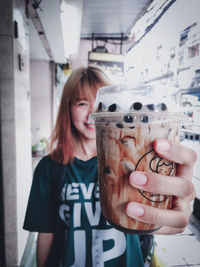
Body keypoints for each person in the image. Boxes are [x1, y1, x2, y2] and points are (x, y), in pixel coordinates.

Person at [23, 66, 196, 267]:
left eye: (100, 103)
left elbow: (151, 219)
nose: (92, 112)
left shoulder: (132, 160)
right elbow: (46, 234)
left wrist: (169, 215)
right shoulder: (48, 168)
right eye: (81, 103)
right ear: (67, 108)